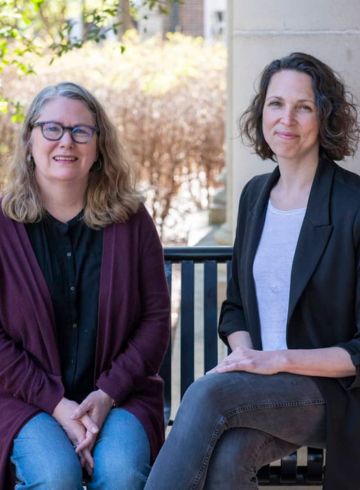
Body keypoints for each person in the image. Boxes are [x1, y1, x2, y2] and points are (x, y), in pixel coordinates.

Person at [144, 52, 360, 490]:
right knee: (227, 459)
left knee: (208, 391)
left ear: (325, 117)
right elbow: (237, 306)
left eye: (304, 107)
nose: (287, 118)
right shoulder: (255, 196)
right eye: (276, 104)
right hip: (263, 386)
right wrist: (245, 356)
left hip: (333, 394)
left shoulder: (353, 204)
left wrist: (275, 359)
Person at [0, 81, 170, 490]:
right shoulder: (3, 228)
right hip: (23, 399)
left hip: (120, 395)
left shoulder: (131, 222)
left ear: (98, 146)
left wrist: (108, 393)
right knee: (56, 474)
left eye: (81, 131)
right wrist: (59, 406)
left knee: (122, 473)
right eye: (52, 128)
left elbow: (155, 320)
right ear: (29, 141)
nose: (66, 142)